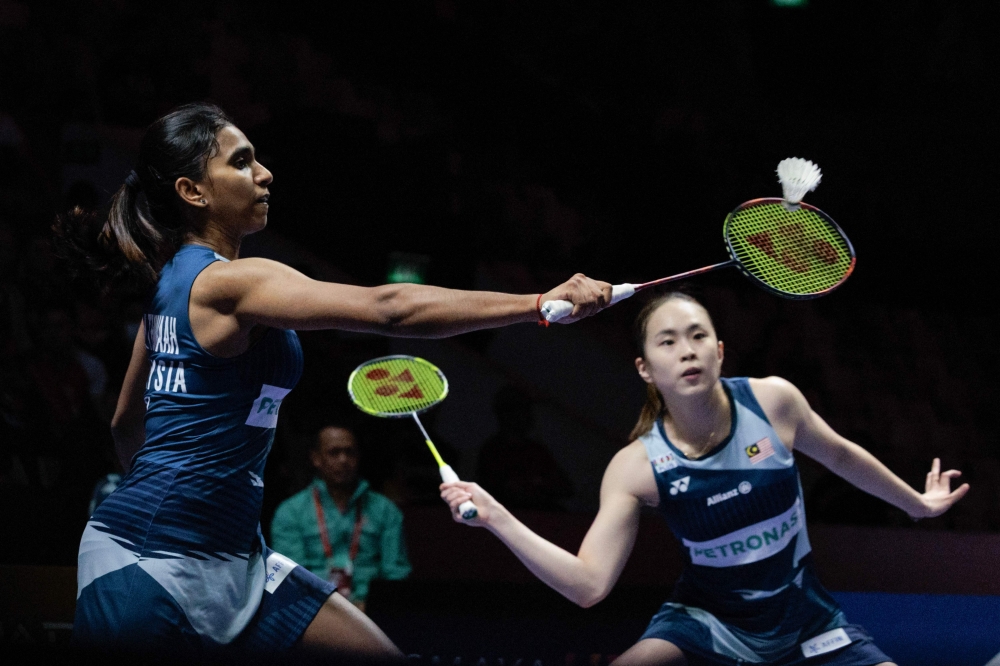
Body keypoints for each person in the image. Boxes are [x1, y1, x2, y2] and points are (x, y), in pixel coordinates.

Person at [55, 102, 612, 656]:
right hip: (149, 562)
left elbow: (126, 424)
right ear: (192, 191)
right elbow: (390, 308)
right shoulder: (230, 283)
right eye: (241, 162)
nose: (264, 174)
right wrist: (538, 303)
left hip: (236, 557)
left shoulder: (169, 288)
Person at [441, 291, 969, 666]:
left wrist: (916, 504)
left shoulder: (773, 402)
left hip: (807, 622)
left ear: (719, 350)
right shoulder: (637, 467)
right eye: (668, 342)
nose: (687, 350)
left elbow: (841, 456)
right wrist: (496, 517)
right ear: (645, 368)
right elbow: (589, 585)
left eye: (698, 336)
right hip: (707, 623)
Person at [271, 426, 411, 612]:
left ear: (358, 457)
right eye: (334, 452)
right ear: (316, 458)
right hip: (311, 612)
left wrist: (372, 606)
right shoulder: (290, 512)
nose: (343, 460)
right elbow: (290, 578)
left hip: (373, 611)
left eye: (349, 452)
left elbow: (396, 575)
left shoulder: (385, 510)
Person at [477, 385, 574, 510]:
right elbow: (491, 490)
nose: (526, 416)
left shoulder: (536, 450)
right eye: (516, 410)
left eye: (526, 410)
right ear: (503, 415)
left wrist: (538, 484)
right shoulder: (492, 451)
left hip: (539, 513)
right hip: (506, 513)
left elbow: (566, 488)